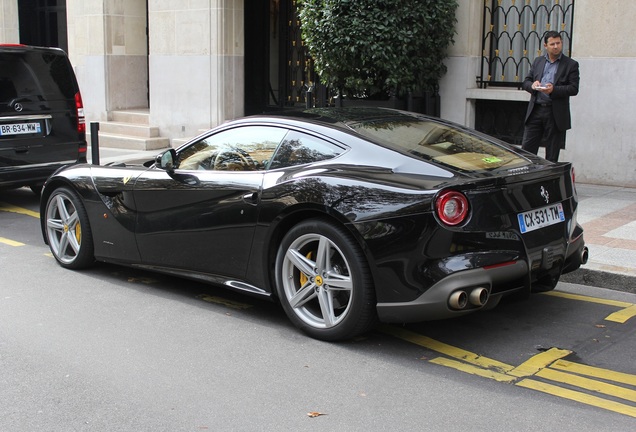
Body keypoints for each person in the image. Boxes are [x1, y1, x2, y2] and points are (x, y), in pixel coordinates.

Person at [521, 30, 579, 162]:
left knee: (552, 154)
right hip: (536, 110)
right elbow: (525, 82)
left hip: (555, 112)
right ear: (545, 46)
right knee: (527, 151)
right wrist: (532, 85)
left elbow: (573, 88)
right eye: (552, 44)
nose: (556, 46)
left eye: (558, 43)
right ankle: (527, 180)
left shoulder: (570, 64)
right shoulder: (538, 61)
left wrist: (554, 90)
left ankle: (548, 181)